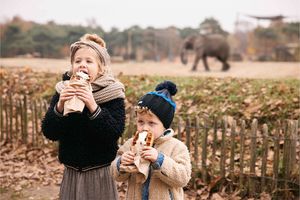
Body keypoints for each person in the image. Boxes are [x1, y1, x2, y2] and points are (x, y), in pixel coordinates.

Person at [41, 33, 125, 200]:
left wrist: (92, 105)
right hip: (71, 171)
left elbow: (115, 131)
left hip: (100, 172)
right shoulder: (63, 89)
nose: (82, 65)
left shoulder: (112, 92)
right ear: (72, 66)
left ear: (101, 68)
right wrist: (59, 106)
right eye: (77, 61)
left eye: (89, 61)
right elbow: (49, 132)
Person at [111, 81, 191, 200]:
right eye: (141, 122)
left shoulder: (177, 147)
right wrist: (121, 162)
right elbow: (116, 176)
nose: (145, 127)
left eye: (151, 123)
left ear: (165, 125)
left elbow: (183, 178)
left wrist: (160, 160)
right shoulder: (130, 144)